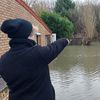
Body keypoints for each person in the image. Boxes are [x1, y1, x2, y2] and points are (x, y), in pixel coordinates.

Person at [0, 18, 70, 100]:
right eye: (32, 35)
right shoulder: (37, 53)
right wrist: (66, 40)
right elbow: (55, 47)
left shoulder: (3, 60)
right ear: (27, 36)